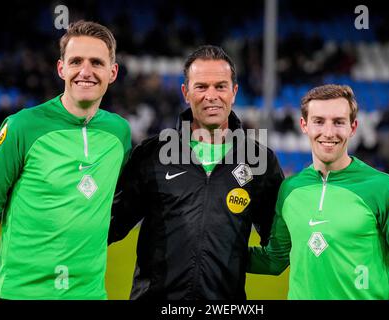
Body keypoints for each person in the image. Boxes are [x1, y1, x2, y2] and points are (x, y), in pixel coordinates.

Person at [108, 45, 284, 300]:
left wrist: (231, 257)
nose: (211, 95)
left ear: (234, 92)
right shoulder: (151, 155)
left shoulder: (261, 162)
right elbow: (109, 226)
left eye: (220, 86)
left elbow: (278, 249)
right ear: (186, 92)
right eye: (201, 87)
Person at [0, 20, 131, 299]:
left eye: (96, 63)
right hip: (23, 293)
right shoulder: (22, 127)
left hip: (89, 294)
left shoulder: (119, 132)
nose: (85, 72)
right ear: (61, 68)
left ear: (112, 72)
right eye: (76, 61)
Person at [247, 84, 389, 300]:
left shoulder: (382, 187)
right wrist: (215, 252)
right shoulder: (290, 189)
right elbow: (274, 260)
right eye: (319, 121)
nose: (329, 132)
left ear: (353, 127)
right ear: (304, 125)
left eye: (339, 122)